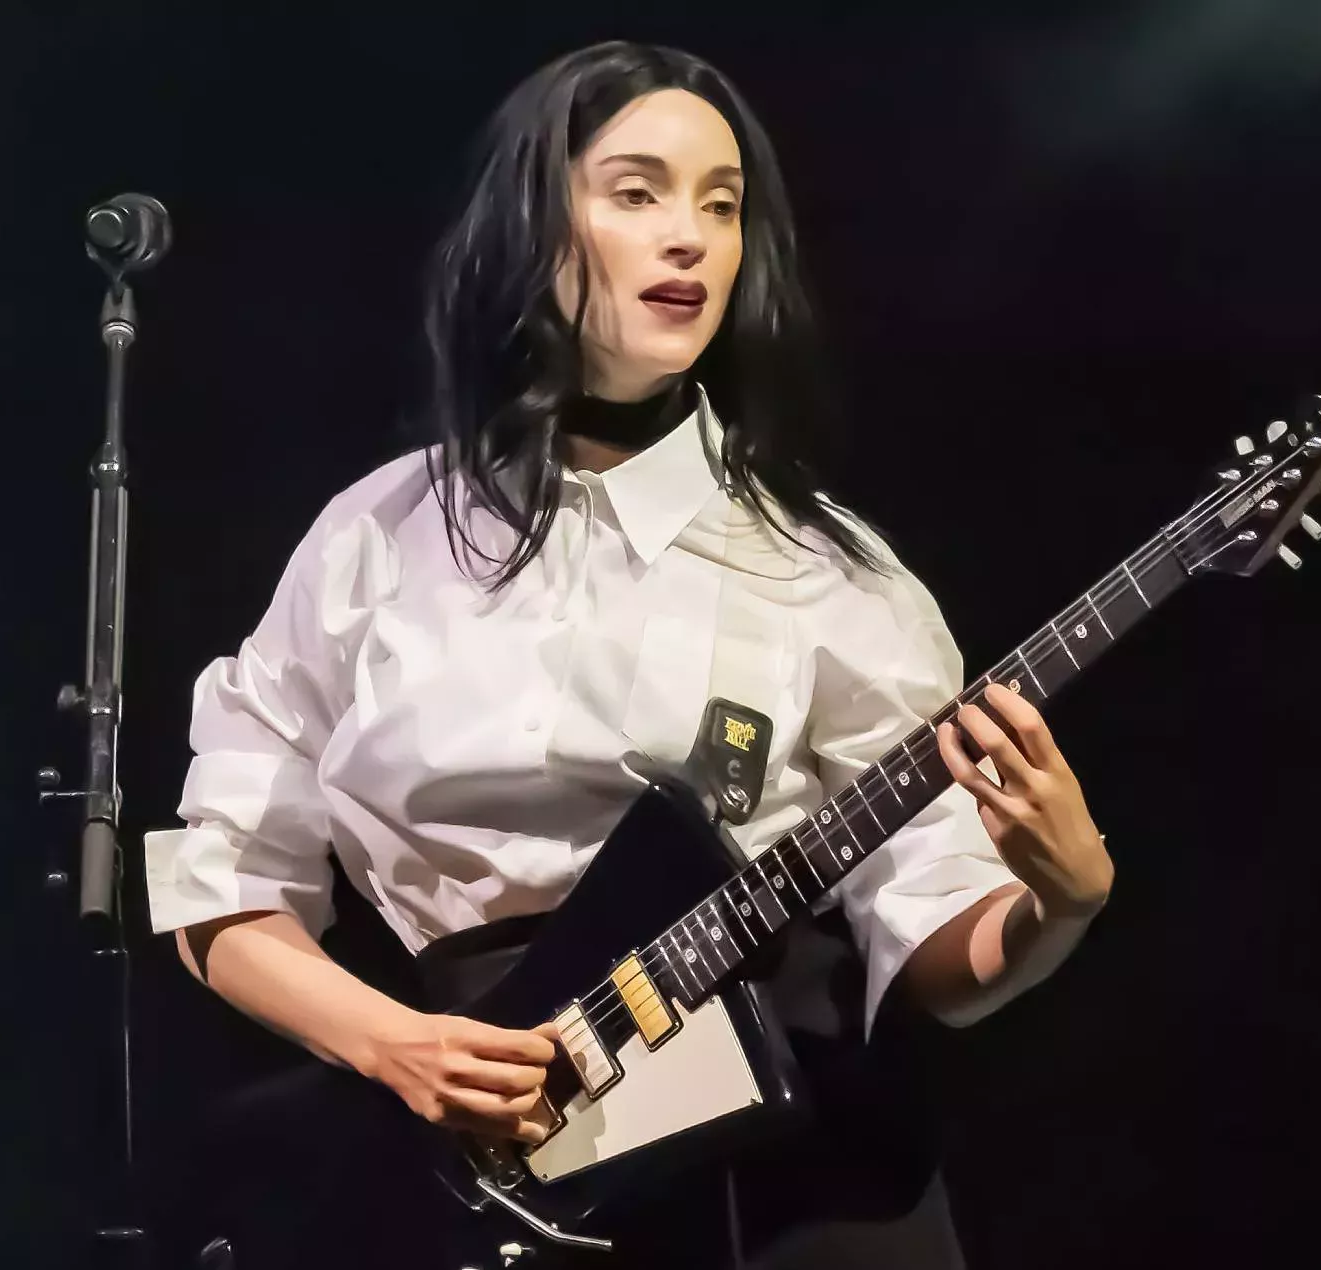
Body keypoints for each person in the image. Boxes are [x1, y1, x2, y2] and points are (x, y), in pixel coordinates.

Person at [144, 39, 1115, 1270]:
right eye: (637, 192)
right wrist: (390, 1041)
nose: (690, 239)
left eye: (722, 204)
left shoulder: (827, 574)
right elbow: (219, 880)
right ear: (532, 226)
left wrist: (1057, 900)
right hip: (486, 1172)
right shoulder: (372, 539)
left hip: (789, 1175)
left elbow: (940, 951)